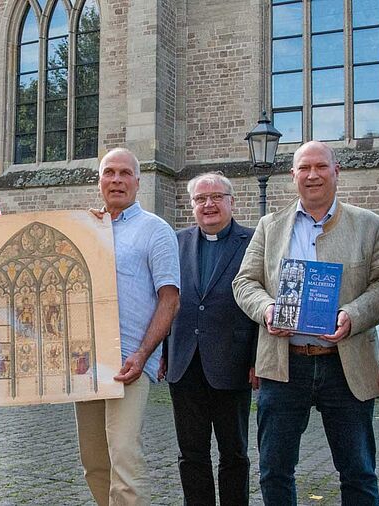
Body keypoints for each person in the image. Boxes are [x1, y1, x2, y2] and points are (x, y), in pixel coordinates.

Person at [232, 141, 379, 505]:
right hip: (285, 366)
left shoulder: (372, 226)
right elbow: (244, 282)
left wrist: (353, 315)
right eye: (304, 168)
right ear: (293, 175)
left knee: (358, 471)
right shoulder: (270, 226)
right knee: (274, 470)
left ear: (337, 172)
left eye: (321, 167)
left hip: (344, 365)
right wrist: (269, 310)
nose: (312, 175)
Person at [75, 147, 180, 506]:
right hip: (85, 360)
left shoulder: (156, 230)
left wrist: (143, 353)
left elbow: (170, 299)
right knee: (93, 460)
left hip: (129, 361)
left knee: (123, 455)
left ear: (138, 180)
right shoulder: (85, 229)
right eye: (109, 173)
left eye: (124, 173)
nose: (116, 180)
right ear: (99, 180)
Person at [160, 172, 258, 505]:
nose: (209, 204)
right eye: (201, 199)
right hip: (184, 362)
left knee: (235, 453)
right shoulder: (175, 241)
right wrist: (162, 352)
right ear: (192, 206)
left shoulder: (253, 240)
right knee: (191, 453)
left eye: (217, 196)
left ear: (232, 201)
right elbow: (162, 299)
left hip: (233, 363)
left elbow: (263, 298)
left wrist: (259, 359)